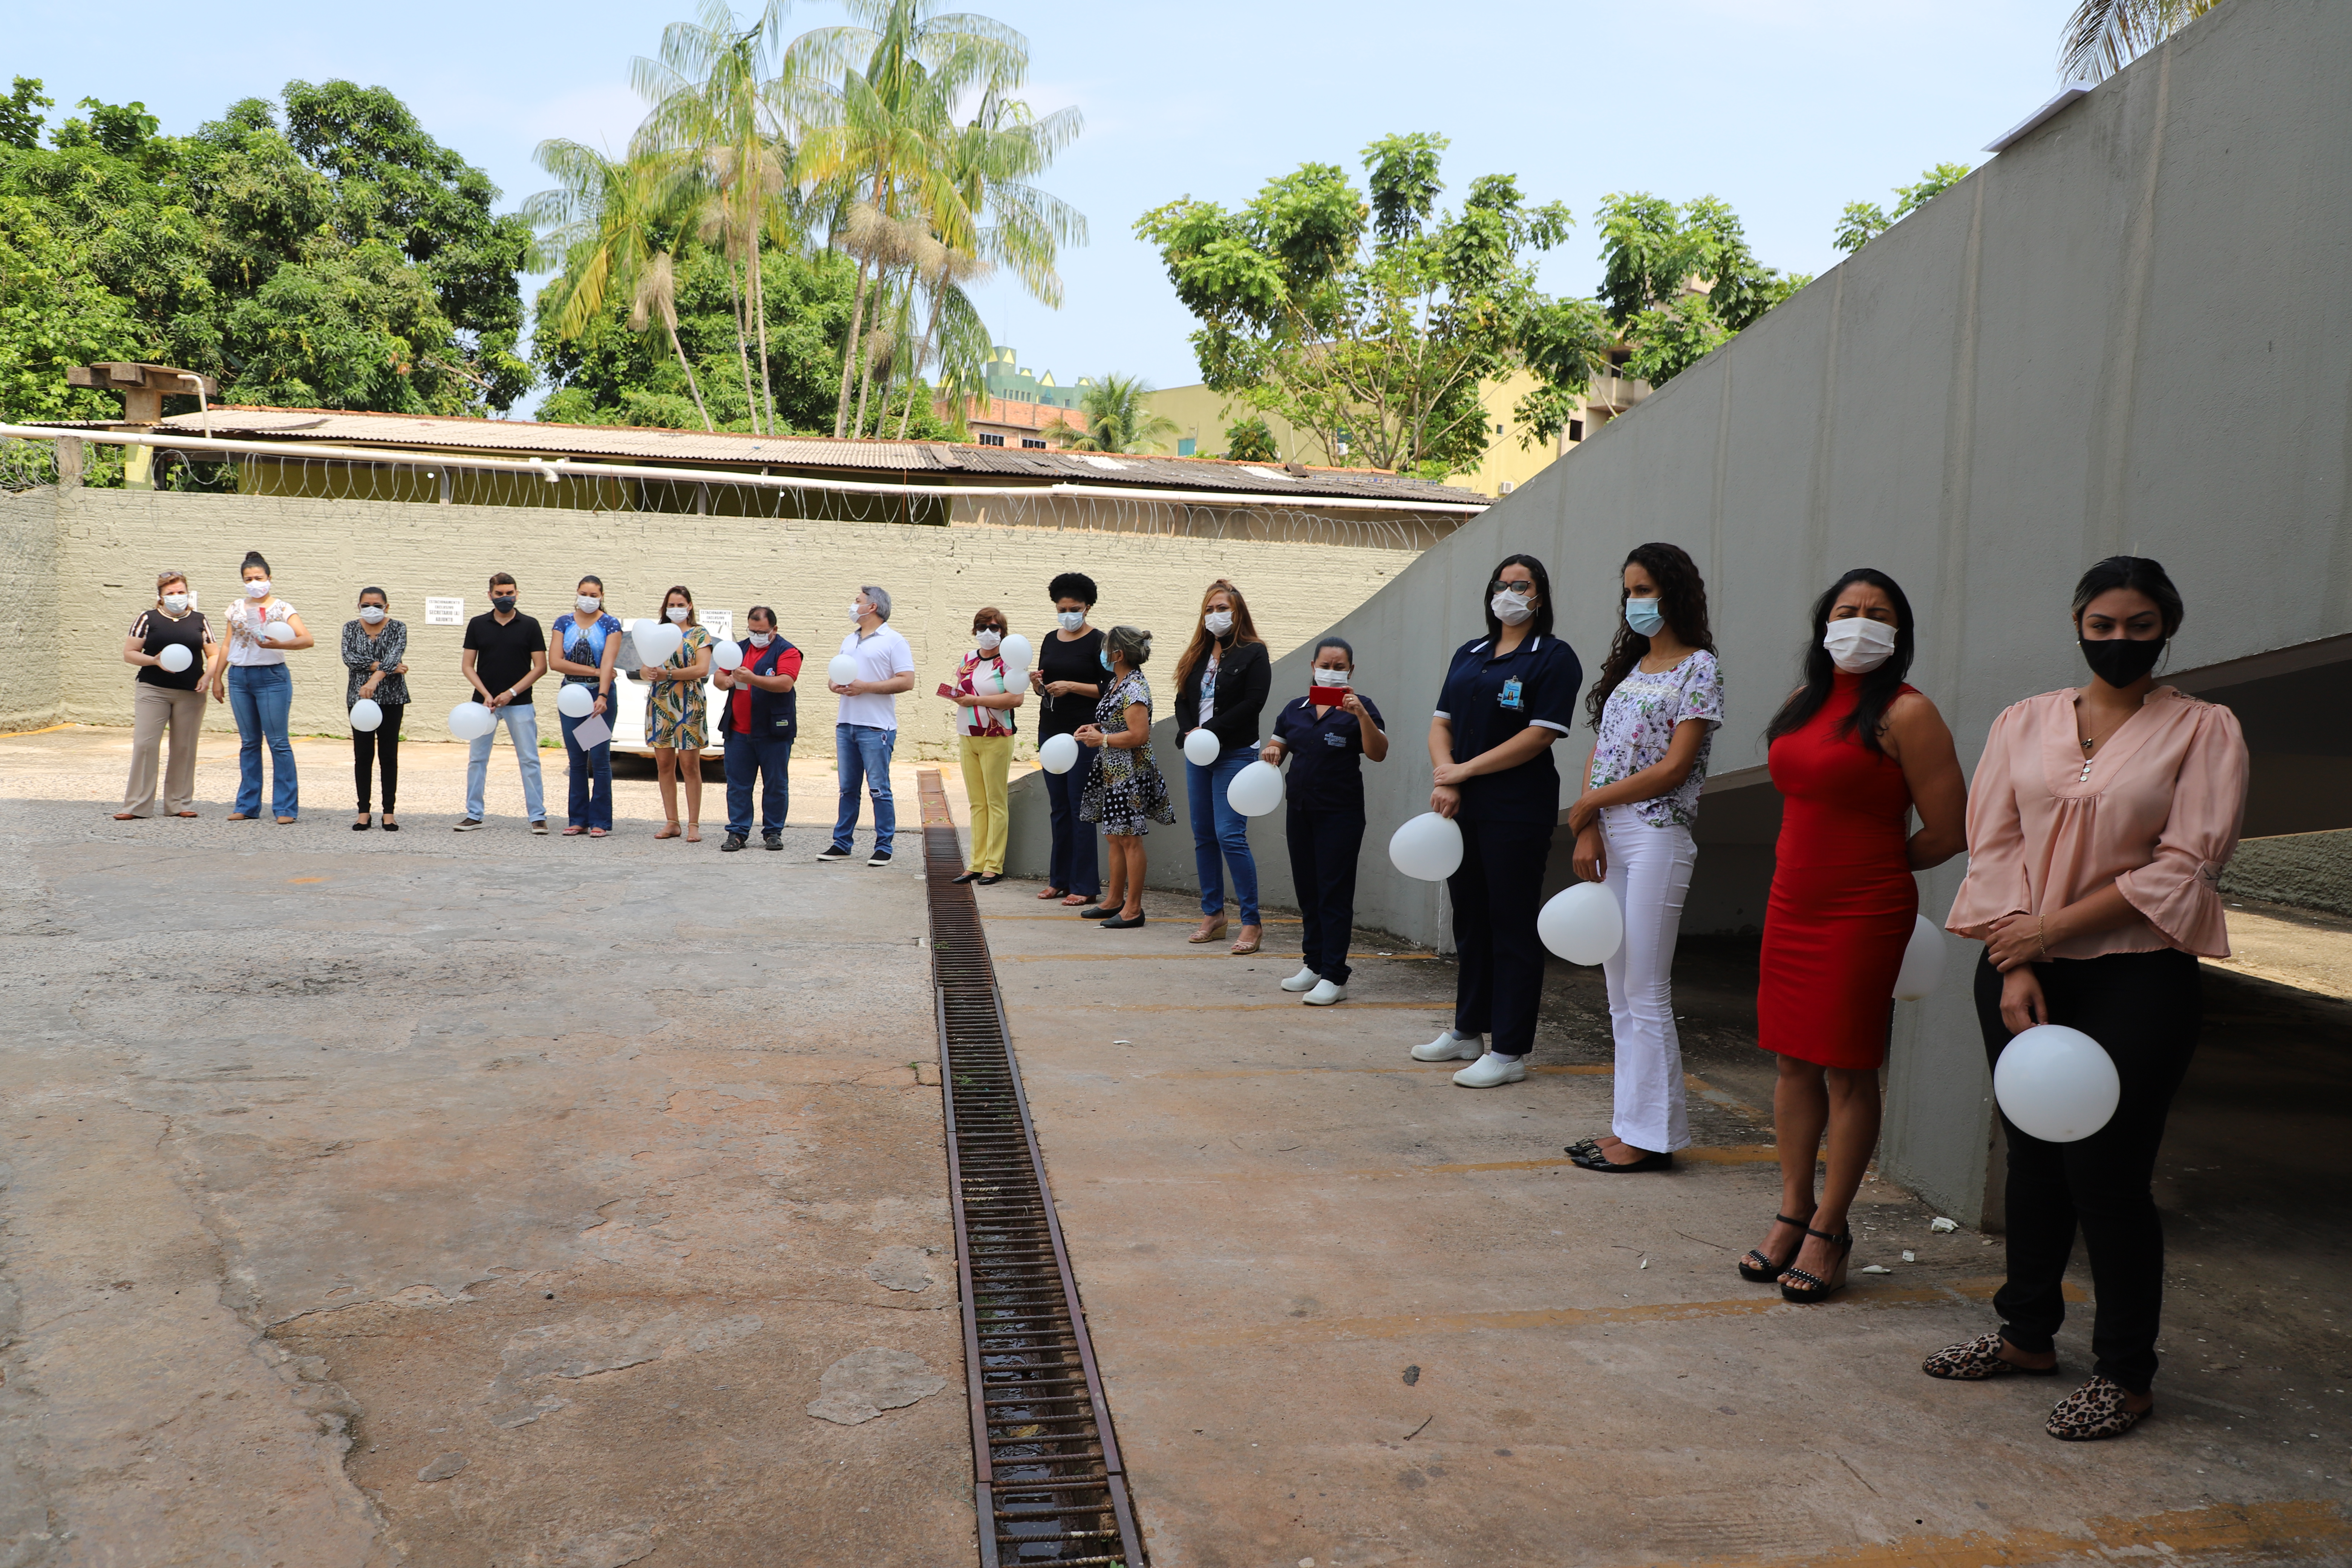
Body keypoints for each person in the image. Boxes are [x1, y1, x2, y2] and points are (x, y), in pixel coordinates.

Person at [1927, 557, 2246, 1443]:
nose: (2116, 641)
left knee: (2105, 1175)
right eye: (2100, 625)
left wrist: (2048, 932)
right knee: (2031, 1156)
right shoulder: (2023, 721)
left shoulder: (2203, 729)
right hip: (2019, 963)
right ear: (2076, 623)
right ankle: (2026, 1335)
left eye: (2137, 626)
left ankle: (2125, 1375)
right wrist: (2018, 954)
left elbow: (2185, 866)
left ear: (2165, 629)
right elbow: (1991, 844)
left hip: (2135, 972)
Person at [1741, 569, 1966, 1300]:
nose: (1859, 623)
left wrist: (1875, 862)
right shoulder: (1801, 705)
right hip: (1791, 902)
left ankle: (1831, 1227)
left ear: (1898, 635)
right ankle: (1793, 1207)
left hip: (1863, 911)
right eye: (1846, 610)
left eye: (1877, 614)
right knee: (1792, 1063)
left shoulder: (1909, 713)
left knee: (1847, 1066)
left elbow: (1950, 829)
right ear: (1823, 622)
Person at [1559, 544, 1726, 1168]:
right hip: (1611, 828)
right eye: (1630, 591)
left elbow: (1676, 766)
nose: (1637, 602)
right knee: (1618, 989)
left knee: (1646, 988)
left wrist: (1590, 806)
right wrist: (1588, 824)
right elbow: (1600, 753)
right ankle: (1629, 1125)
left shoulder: (1700, 668)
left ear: (1675, 592)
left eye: (1647, 590)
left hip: (1659, 832)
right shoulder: (1631, 668)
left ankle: (1652, 1140)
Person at [1418, 555, 1583, 1088]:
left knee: (1511, 925)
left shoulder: (1553, 657)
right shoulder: (1471, 653)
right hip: (1460, 806)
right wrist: (1447, 775)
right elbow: (1440, 723)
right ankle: (1469, 1029)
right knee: (1470, 919)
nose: (1509, 592)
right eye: (1502, 584)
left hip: (1516, 809)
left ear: (1540, 596)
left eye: (1522, 585)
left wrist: (1460, 772)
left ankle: (1509, 1050)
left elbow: (1538, 736)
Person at [1262, 638, 1387, 1006]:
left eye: (1339, 666)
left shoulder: (1362, 709)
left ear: (1351, 670)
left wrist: (1360, 714)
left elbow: (1378, 752)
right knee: (1308, 890)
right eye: (1326, 664)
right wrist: (1271, 752)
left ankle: (1335, 975)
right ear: (1313, 665)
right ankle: (1313, 964)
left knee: (1333, 892)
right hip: (1300, 811)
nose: (1331, 671)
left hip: (1340, 814)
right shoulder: (1294, 709)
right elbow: (1276, 748)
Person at [1173, 579, 1271, 954]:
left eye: (1222, 608)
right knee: (1204, 836)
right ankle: (1213, 915)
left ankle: (1252, 922)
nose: (1215, 615)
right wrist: (1188, 732)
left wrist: (1207, 730)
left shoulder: (1254, 652)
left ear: (1238, 612)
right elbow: (1183, 698)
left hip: (1234, 753)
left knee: (1230, 834)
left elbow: (1253, 703)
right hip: (1199, 755)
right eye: (1210, 609)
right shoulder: (1198, 653)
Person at [1075, 625, 1173, 928]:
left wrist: (1102, 740)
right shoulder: (1118, 683)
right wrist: (1097, 730)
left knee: (1129, 838)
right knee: (1113, 836)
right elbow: (1117, 724)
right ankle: (1114, 900)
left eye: (1107, 649)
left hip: (1128, 773)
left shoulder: (1134, 688)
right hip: (1112, 768)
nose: (1102, 653)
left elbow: (1139, 735)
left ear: (1118, 654)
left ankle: (1133, 909)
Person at [821, 585, 916, 867]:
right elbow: (834, 675)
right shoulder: (849, 641)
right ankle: (842, 843)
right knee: (848, 789)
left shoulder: (894, 641)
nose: (853, 605)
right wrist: (834, 685)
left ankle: (884, 846)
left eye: (857, 601)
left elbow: (906, 681)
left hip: (876, 727)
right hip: (846, 723)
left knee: (879, 789)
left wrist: (867, 688)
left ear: (872, 607)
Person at [215, 549, 310, 824]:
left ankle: (285, 808)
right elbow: (226, 644)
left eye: (259, 577)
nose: (254, 582)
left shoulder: (282, 608)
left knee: (278, 743)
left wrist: (280, 644)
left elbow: (306, 639)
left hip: (272, 678)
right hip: (239, 678)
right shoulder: (235, 608)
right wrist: (218, 677)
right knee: (249, 743)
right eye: (249, 578)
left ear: (270, 578)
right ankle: (247, 805)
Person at [115, 571, 217, 821]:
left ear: (188, 593)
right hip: (153, 690)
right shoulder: (147, 619)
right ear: (160, 597)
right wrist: (154, 661)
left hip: (191, 693)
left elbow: (214, 654)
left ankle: (178, 803)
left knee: (184, 747)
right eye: (170, 594)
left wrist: (208, 677)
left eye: (180, 592)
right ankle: (137, 806)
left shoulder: (200, 620)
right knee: (146, 745)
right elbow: (130, 653)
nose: (176, 597)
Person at [1030, 573, 1105, 906]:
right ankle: (1058, 880)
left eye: (1074, 608)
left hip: (1084, 735)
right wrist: (1038, 685)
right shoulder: (1050, 638)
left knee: (1080, 809)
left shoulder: (1101, 642)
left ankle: (1085, 885)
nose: (1068, 614)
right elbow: (1047, 687)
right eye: (1062, 609)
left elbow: (1110, 688)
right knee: (1058, 808)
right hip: (1051, 730)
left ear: (1088, 607)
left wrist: (1072, 686)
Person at [458, 572, 549, 834]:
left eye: (510, 593)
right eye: (500, 594)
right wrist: (485, 694)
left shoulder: (530, 625)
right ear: (490, 595)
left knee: (530, 759)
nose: (505, 598)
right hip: (483, 706)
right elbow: (467, 666)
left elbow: (540, 667)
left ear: (517, 594)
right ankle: (473, 814)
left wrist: (511, 692)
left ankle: (537, 817)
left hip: (520, 704)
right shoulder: (477, 624)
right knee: (477, 760)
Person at [944, 606, 1025, 885]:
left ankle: (994, 864)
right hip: (968, 735)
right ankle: (976, 863)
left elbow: (1016, 699)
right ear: (974, 631)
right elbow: (961, 689)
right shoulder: (968, 658)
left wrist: (975, 701)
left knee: (995, 801)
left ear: (1003, 631)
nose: (987, 633)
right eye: (982, 628)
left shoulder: (1009, 662)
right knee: (977, 803)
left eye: (993, 628)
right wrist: (956, 695)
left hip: (997, 737)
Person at [713, 606, 801, 852]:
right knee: (738, 785)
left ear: (774, 629)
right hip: (738, 731)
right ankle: (738, 832)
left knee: (775, 784)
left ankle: (773, 832)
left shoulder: (788, 651)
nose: (756, 636)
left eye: (762, 632)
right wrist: (727, 680)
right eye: (752, 631)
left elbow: (785, 683)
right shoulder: (738, 649)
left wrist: (753, 679)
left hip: (774, 732)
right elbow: (719, 678)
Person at [549, 575, 622, 838]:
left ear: (602, 596)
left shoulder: (611, 624)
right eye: (584, 594)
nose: (588, 599)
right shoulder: (563, 622)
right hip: (571, 695)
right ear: (577, 594)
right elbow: (556, 662)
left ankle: (600, 819)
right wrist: (594, 669)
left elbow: (609, 662)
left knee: (599, 758)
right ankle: (578, 818)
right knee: (577, 759)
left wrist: (602, 695)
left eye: (594, 595)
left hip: (597, 697)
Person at [642, 585, 714, 842]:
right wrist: (650, 674)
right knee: (664, 764)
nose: (676, 609)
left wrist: (668, 675)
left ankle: (693, 824)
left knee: (690, 765)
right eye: (671, 605)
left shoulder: (699, 634)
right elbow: (644, 669)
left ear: (690, 606)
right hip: (661, 704)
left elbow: (702, 669)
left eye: (680, 604)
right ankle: (672, 822)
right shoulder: (656, 633)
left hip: (690, 705)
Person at [342, 587, 411, 831]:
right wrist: (388, 667)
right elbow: (349, 658)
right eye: (366, 605)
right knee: (363, 756)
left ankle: (389, 813)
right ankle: (364, 812)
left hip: (392, 699)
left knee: (389, 756)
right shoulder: (351, 628)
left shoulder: (398, 628)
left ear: (387, 607)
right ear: (359, 606)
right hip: (358, 701)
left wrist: (373, 679)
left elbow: (396, 656)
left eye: (378, 605)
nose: (372, 609)